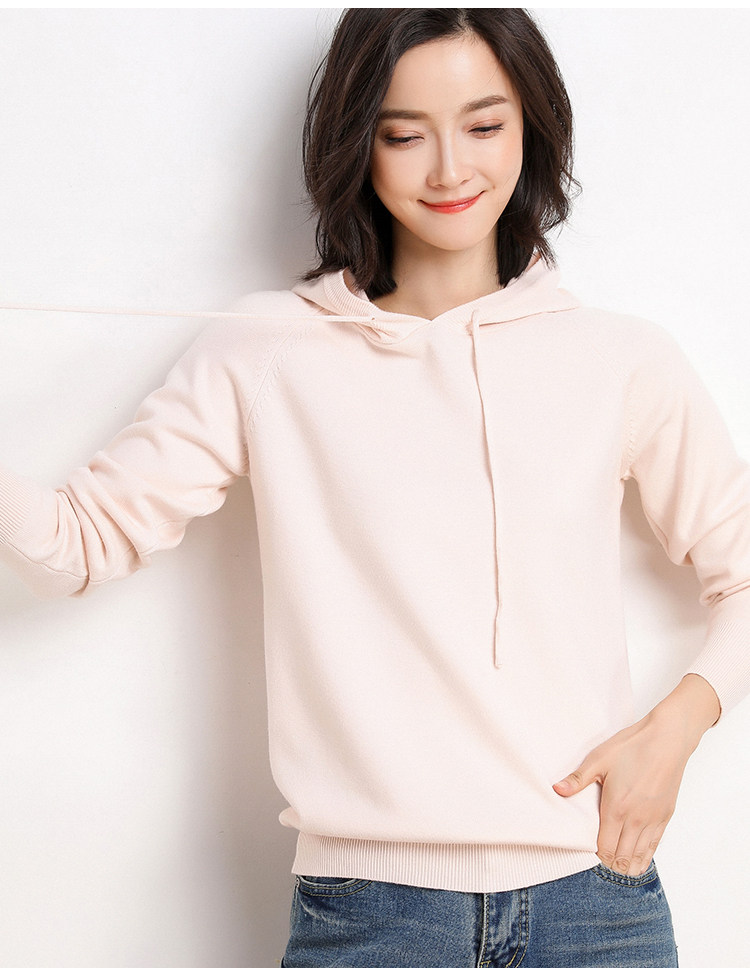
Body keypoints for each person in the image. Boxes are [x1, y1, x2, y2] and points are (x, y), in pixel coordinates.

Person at [1, 7, 749, 968]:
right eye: (405, 135)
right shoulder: (267, 350)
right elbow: (78, 544)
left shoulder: (621, 359)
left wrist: (675, 730)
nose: (449, 170)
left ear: (531, 127)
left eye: (484, 125)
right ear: (358, 142)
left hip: (597, 904)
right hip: (373, 918)